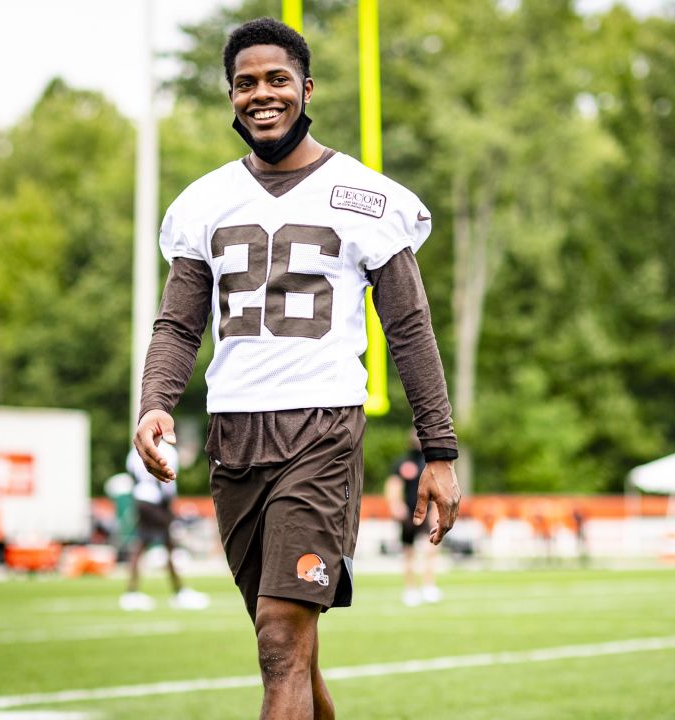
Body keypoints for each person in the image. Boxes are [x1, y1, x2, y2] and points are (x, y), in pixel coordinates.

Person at [132, 18, 461, 719]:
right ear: (230, 97)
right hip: (234, 436)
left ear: (306, 88)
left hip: (321, 431)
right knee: (288, 647)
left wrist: (439, 450)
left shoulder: (368, 196)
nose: (262, 94)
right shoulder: (204, 201)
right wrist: (155, 400)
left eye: (277, 79)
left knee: (280, 639)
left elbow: (409, 328)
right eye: (245, 83)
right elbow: (178, 321)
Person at [119, 442, 210, 611]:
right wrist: (168, 507)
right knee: (167, 543)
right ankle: (179, 592)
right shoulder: (168, 450)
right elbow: (167, 479)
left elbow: (132, 475)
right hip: (156, 502)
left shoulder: (136, 448)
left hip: (140, 499)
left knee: (143, 544)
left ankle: (132, 592)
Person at [384, 434, 442, 607]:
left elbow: (438, 488)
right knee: (408, 552)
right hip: (408, 514)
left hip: (427, 512)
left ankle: (428, 586)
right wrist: (396, 505)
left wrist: (436, 512)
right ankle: (410, 590)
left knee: (430, 549)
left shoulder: (431, 464)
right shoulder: (402, 463)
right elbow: (393, 485)